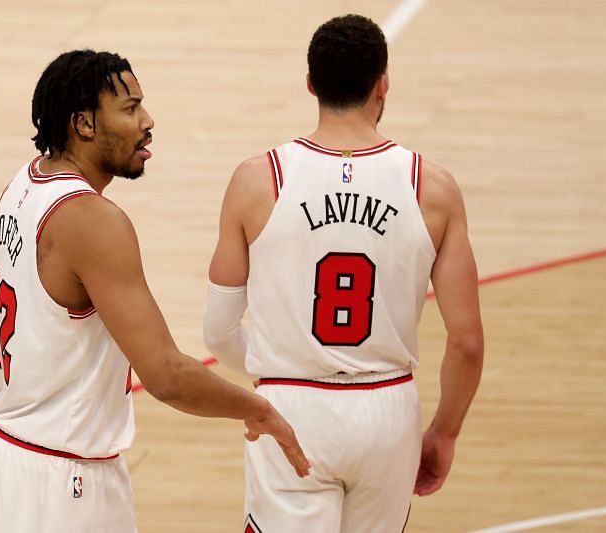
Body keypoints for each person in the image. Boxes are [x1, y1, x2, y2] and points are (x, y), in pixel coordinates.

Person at [0, 49, 309, 533]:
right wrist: (260, 409)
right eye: (130, 107)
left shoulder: (23, 184)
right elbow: (166, 375)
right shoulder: (93, 222)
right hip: (61, 477)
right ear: (84, 124)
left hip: (8, 457)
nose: (147, 120)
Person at [203, 14, 484, 533]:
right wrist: (444, 433)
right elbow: (466, 343)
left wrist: (275, 374)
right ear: (383, 84)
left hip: (291, 405)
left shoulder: (257, 179)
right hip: (388, 408)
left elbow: (218, 331)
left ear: (311, 83)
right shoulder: (434, 188)